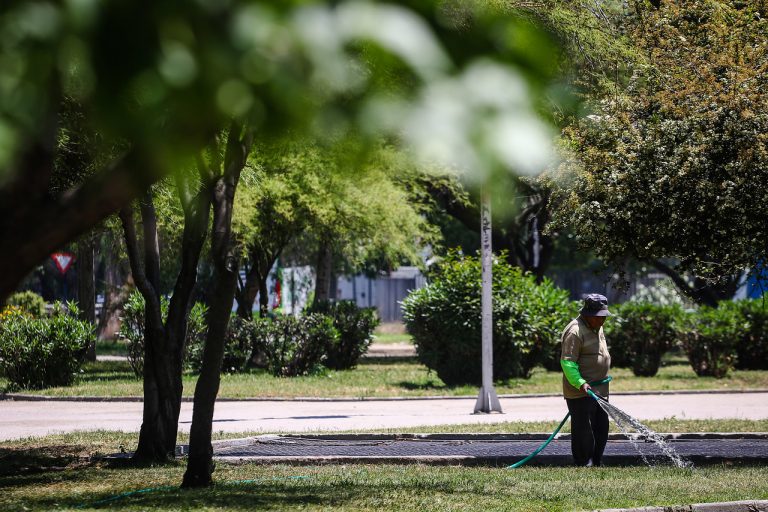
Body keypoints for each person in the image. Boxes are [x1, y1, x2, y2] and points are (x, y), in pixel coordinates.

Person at [560, 293, 612, 467]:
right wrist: (580, 383)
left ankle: (596, 461)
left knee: (601, 427)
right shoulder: (575, 331)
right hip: (582, 391)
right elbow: (568, 363)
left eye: (604, 316)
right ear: (587, 314)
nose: (602, 320)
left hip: (600, 389)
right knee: (584, 430)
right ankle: (583, 463)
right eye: (598, 317)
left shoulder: (597, 326)